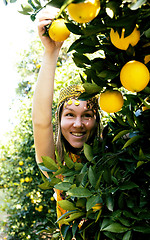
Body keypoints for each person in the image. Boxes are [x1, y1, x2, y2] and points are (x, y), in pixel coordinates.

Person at [32, 9, 101, 226]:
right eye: (70, 115)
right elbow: (41, 123)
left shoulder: (112, 158)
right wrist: (51, 52)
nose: (78, 124)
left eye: (87, 115)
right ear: (59, 120)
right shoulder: (58, 166)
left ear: (97, 121)